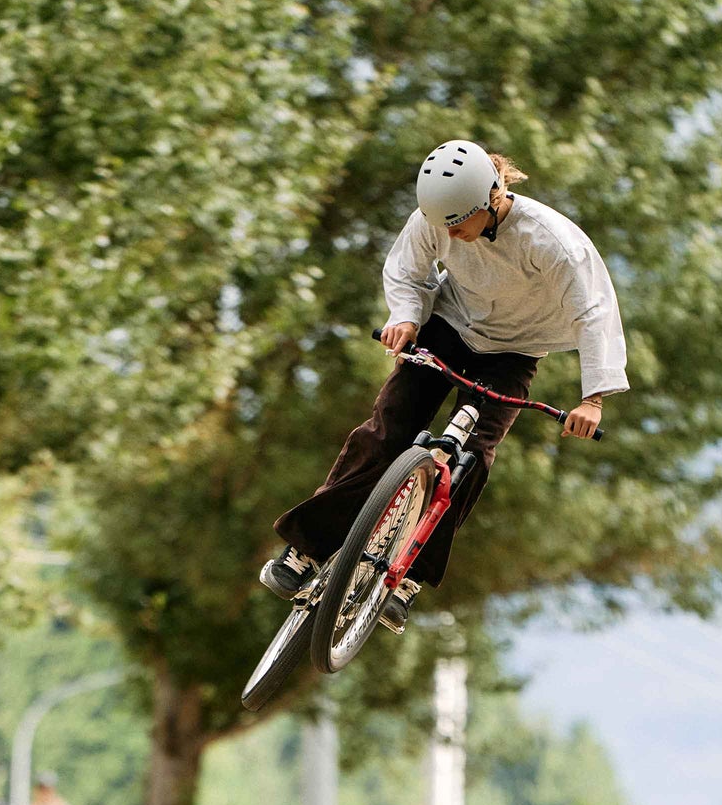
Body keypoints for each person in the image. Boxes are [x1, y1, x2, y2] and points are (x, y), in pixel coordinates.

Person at [261, 141, 627, 630]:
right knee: (388, 429)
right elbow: (406, 271)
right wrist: (406, 319)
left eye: (459, 223)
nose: (451, 234)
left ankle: (406, 579)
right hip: (447, 326)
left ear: (491, 198)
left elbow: (594, 313)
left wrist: (592, 399)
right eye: (444, 224)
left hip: (514, 353)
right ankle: (306, 550)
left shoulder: (553, 243)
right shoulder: (435, 219)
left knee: (471, 457)